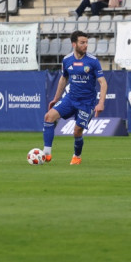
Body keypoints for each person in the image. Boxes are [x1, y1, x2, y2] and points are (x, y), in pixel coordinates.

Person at [41, 30, 108, 165]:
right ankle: (46, 154)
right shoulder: (67, 60)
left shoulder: (93, 61)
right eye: (82, 43)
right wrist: (56, 98)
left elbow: (103, 82)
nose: (85, 45)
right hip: (70, 99)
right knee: (48, 117)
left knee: (77, 132)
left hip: (86, 103)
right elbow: (63, 79)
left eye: (86, 43)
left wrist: (101, 103)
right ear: (74, 44)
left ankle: (77, 156)